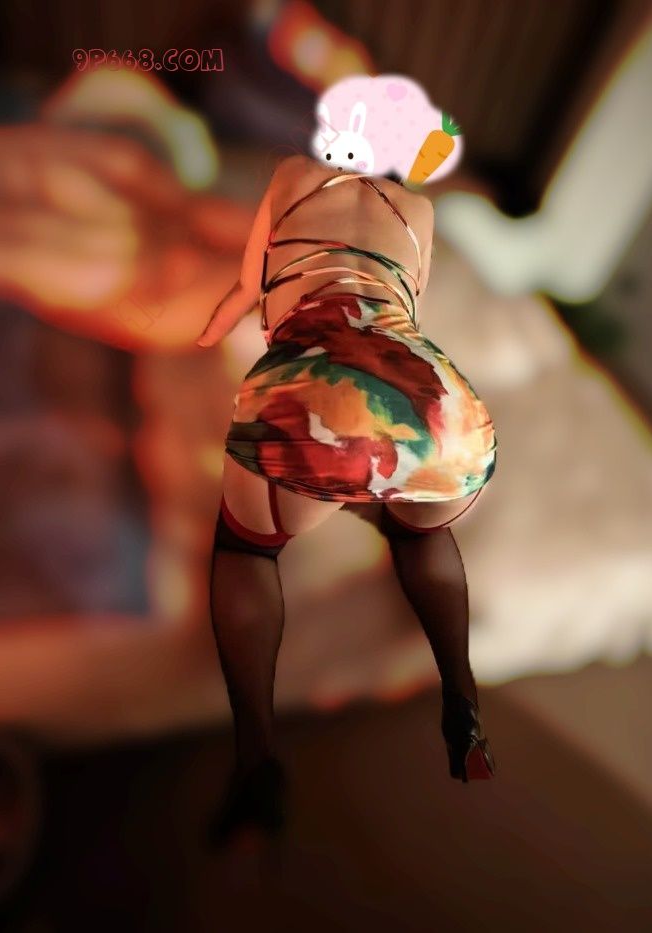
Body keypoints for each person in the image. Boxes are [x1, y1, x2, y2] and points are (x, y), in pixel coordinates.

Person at [197, 153, 498, 848]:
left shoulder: (293, 175)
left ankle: (257, 762)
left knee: (245, 550)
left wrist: (209, 335)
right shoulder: (420, 210)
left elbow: (247, 286)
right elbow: (404, 312)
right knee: (421, 532)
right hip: (442, 415)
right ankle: (463, 704)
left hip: (318, 391)